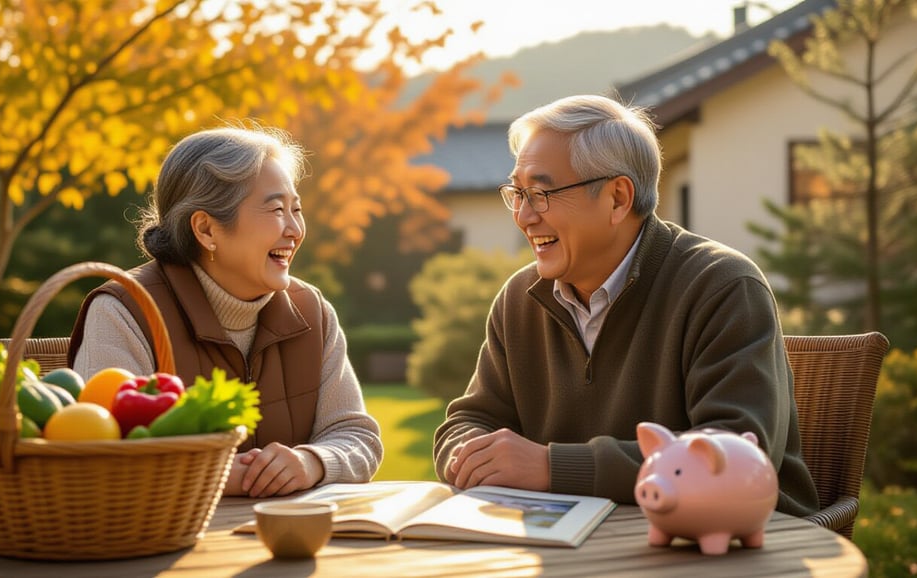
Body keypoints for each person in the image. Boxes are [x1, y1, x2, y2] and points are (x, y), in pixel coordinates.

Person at [432, 94, 819, 517]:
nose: (524, 216)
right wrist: (471, 455)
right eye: (517, 193)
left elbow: (735, 454)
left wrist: (551, 467)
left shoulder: (722, 287)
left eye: (540, 193)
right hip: (571, 543)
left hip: (723, 547)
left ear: (618, 198)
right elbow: (466, 423)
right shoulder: (519, 300)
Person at [69, 125, 383, 498]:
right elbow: (102, 458)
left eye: (296, 209)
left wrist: (312, 462)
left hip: (284, 541)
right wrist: (211, 473)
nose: (295, 229)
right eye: (276, 210)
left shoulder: (311, 312)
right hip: (168, 544)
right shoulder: (124, 312)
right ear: (205, 229)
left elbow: (357, 435)